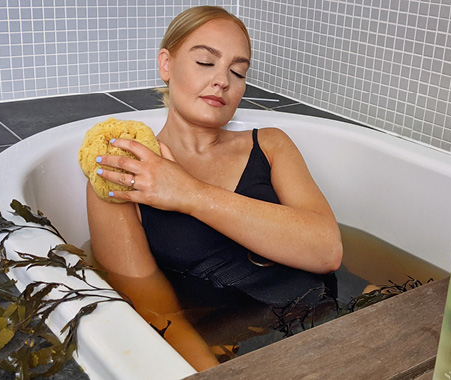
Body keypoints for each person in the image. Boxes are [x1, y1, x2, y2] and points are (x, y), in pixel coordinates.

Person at [86, 6, 342, 371]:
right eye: (206, 62)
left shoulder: (270, 145)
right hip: (243, 345)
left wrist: (188, 193)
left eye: (237, 71)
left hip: (335, 309)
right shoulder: (123, 170)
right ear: (166, 64)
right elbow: (158, 313)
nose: (222, 80)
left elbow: (326, 250)